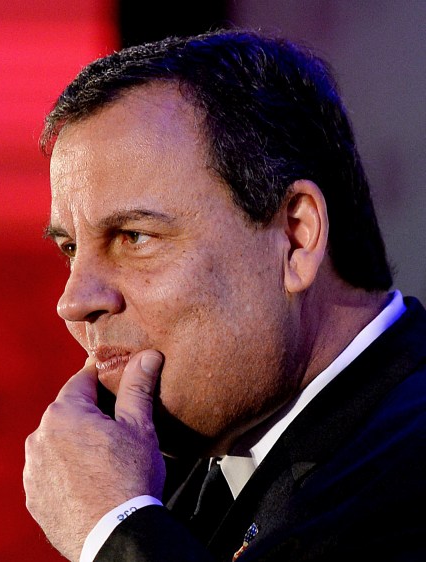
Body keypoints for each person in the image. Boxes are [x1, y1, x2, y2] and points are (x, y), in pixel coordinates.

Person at [22, 28, 426, 562]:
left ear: (296, 237)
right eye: (71, 248)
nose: (73, 302)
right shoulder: (175, 479)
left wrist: (114, 532)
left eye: (134, 237)